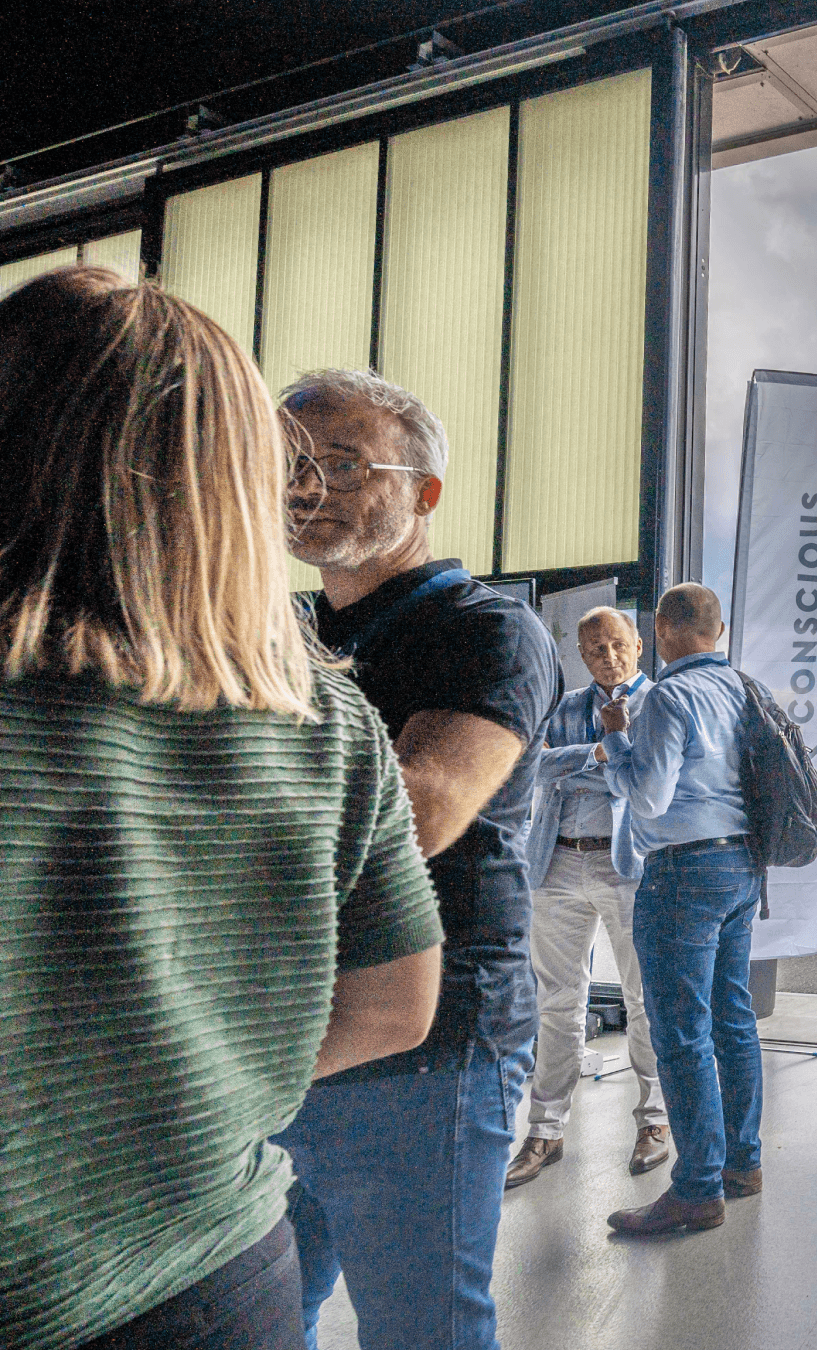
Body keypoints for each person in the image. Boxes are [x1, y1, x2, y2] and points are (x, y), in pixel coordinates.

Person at [0, 269, 443, 1350]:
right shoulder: (325, 714)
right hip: (219, 1267)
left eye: (355, 462)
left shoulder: (463, 638)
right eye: (310, 459)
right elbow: (394, 1001)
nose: (324, 486)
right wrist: (184, 1083)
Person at [280, 367, 561, 1348]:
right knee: (269, 1312)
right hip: (287, 1040)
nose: (304, 482)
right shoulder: (277, 633)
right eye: (285, 461)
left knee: (420, 1329)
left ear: (425, 492)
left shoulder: (487, 630)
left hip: (428, 1044)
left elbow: (422, 815)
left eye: (342, 461)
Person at [596, 584, 765, 1236]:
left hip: (684, 873)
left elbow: (649, 800)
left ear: (662, 628)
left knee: (680, 1032)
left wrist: (616, 741)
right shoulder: (744, 690)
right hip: (741, 868)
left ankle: (696, 1189)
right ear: (717, 630)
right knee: (732, 1019)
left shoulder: (670, 695)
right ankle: (742, 1165)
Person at [508, 606, 669, 1189]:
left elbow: (650, 778)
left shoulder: (660, 702)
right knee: (556, 1003)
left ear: (638, 646)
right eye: (596, 648)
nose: (608, 656)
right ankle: (545, 1131)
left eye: (617, 644)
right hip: (556, 864)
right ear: (582, 655)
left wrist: (593, 761)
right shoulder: (566, 706)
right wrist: (599, 754)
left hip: (627, 867)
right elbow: (533, 769)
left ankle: (653, 1122)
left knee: (644, 999)